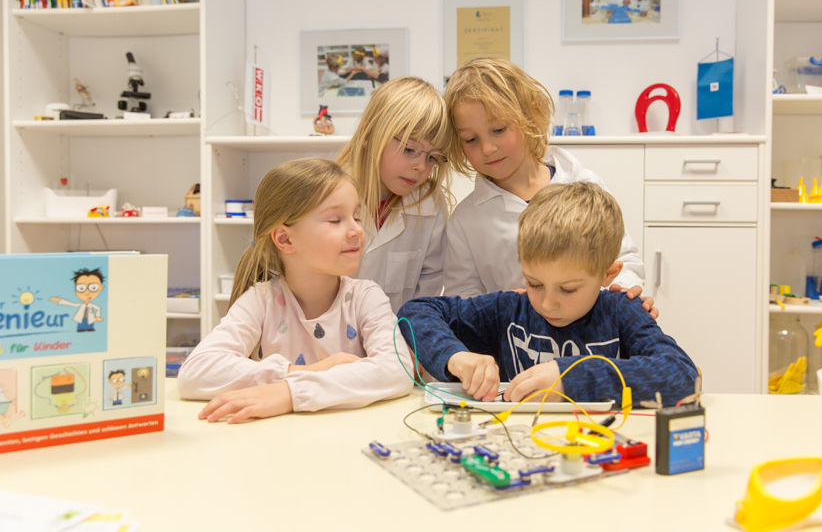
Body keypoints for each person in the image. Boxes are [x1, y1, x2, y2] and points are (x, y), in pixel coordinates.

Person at [398, 182, 698, 406]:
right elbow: (415, 313)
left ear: (608, 274)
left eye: (568, 289)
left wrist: (571, 378)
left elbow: (682, 374)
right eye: (534, 283)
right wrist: (456, 357)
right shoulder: (509, 310)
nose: (547, 303)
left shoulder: (622, 312)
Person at [177, 158, 413, 423]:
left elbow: (398, 370)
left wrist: (290, 393)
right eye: (336, 220)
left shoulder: (366, 298)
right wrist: (305, 371)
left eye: (357, 216)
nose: (357, 229)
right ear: (285, 239)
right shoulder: (260, 301)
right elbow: (194, 373)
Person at [442, 58, 656, 318]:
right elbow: (463, 300)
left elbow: (623, 259)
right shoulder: (464, 222)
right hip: (514, 340)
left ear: (530, 114)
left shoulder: (585, 185)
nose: (487, 148)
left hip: (592, 332)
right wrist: (504, 309)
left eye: (498, 129)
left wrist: (623, 296)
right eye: (470, 139)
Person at [337, 76, 455, 314]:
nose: (421, 167)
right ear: (368, 135)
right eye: (409, 149)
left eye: (432, 158)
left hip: (397, 335)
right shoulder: (324, 196)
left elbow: (426, 297)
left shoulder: (430, 206)